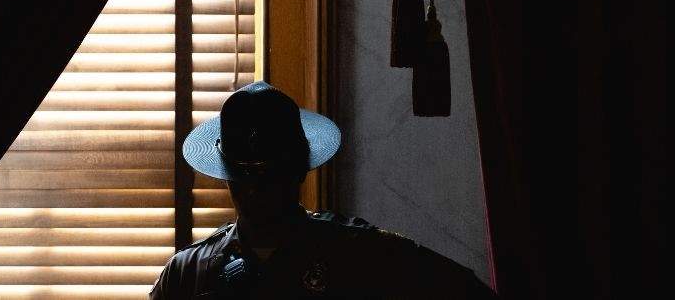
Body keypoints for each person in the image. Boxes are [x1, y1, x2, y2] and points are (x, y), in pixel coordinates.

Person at [150, 81, 496, 298]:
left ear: (300, 172)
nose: (257, 190)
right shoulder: (188, 275)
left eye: (272, 178)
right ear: (227, 176)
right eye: (247, 178)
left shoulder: (365, 255)